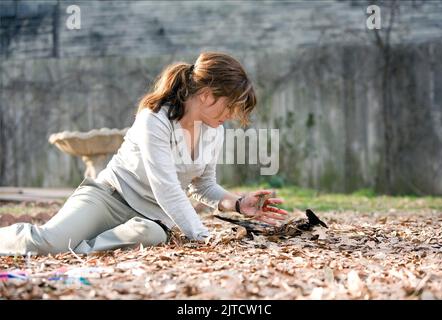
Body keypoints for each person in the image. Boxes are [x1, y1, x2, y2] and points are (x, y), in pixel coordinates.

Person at [0, 52, 288, 256]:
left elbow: (204, 186)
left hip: (151, 219)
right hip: (107, 198)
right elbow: (167, 188)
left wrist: (238, 203)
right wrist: (203, 236)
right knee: (47, 243)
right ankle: (61, 242)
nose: (233, 115)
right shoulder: (154, 120)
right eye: (231, 105)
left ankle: (78, 248)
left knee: (147, 234)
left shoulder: (214, 129)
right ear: (207, 95)